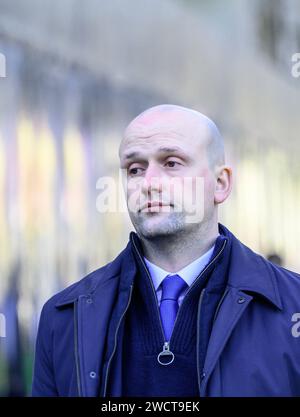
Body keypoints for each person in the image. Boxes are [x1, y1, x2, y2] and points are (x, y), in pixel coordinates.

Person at [32, 104, 300, 397]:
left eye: (171, 163)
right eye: (135, 169)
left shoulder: (293, 308)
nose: (148, 184)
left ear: (220, 184)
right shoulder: (64, 319)